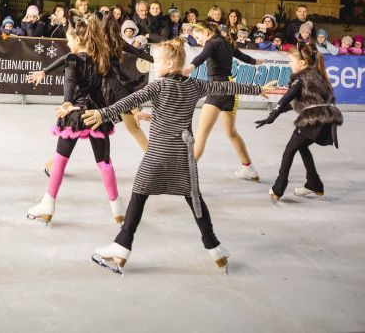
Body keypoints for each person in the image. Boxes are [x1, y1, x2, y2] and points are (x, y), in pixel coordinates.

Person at [86, 37, 275, 275]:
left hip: (157, 154)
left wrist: (104, 113)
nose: (154, 66)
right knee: (194, 198)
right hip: (183, 156)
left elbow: (131, 100)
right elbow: (225, 86)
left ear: (168, 63)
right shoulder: (196, 85)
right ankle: (214, 247)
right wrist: (258, 89)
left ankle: (122, 246)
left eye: (156, 62)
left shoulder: (159, 86)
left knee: (139, 196)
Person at [26, 18, 125, 226]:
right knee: (104, 162)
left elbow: (69, 80)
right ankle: (117, 209)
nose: (67, 43)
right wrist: (133, 108)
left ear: (78, 39)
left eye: (69, 39)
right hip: (98, 114)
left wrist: (67, 103)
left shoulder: (73, 58)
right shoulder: (101, 58)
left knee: (60, 160)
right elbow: (117, 86)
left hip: (76, 113)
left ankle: (48, 204)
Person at [255, 42, 343, 204]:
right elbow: (294, 103)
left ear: (302, 63)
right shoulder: (318, 75)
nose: (289, 64)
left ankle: (278, 188)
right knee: (301, 146)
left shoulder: (301, 78)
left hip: (314, 119)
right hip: (327, 119)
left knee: (290, 149)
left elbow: (287, 98)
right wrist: (274, 114)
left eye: (291, 61)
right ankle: (313, 183)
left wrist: (272, 115)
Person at [185, 21, 264, 182]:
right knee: (231, 132)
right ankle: (249, 168)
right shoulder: (226, 43)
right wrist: (256, 62)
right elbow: (243, 57)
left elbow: (201, 57)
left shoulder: (211, 42)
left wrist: (189, 68)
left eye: (199, 37)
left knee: (201, 134)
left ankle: (186, 176)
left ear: (207, 32)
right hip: (230, 90)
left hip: (218, 89)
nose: (199, 41)